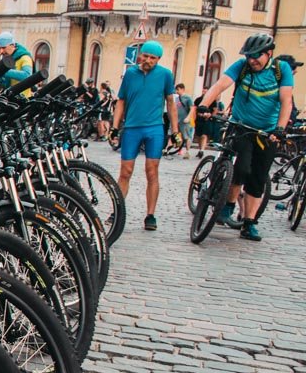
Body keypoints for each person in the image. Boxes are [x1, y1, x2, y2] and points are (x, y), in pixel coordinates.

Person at [194, 32, 294, 241]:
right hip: (240, 125)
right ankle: (229, 203)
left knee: (257, 178)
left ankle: (249, 223)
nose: (251, 60)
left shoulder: (281, 70)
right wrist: (205, 103)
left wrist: (280, 128)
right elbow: (220, 84)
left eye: (256, 56)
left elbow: (286, 100)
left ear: (269, 53)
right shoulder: (241, 66)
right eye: (249, 56)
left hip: (267, 132)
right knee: (242, 167)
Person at [109, 40, 179, 232]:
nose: (148, 60)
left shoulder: (165, 75)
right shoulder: (131, 73)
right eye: (145, 56)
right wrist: (115, 127)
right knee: (125, 171)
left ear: (158, 59)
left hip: (155, 128)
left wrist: (175, 131)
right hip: (132, 128)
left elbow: (171, 103)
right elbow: (121, 101)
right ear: (140, 55)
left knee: (152, 171)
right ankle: (118, 210)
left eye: (152, 58)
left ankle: (150, 214)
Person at [171, 83, 193, 157]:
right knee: (177, 135)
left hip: (185, 120)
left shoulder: (187, 98)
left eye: (178, 90)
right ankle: (179, 149)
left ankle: (187, 151)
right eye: (176, 90)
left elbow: (192, 108)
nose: (176, 91)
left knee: (186, 136)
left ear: (183, 89)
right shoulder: (176, 98)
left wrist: (188, 117)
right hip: (178, 120)